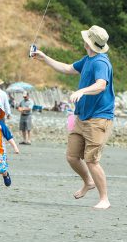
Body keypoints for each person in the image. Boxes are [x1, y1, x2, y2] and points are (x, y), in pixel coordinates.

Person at [32, 25, 114, 209]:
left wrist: (82, 91)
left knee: (92, 160)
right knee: (72, 156)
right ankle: (88, 182)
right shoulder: (88, 59)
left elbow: (101, 85)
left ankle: (104, 199)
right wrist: (45, 58)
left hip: (99, 118)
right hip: (81, 117)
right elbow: (68, 68)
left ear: (88, 42)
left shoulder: (101, 62)